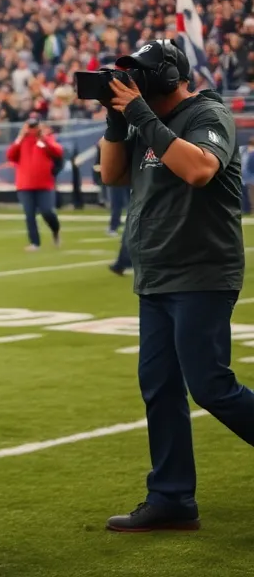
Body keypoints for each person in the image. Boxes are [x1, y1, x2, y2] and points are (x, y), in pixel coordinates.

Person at [98, 39, 254, 531]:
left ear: (167, 75)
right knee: (160, 387)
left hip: (202, 273)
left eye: (140, 74)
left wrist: (142, 115)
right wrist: (115, 119)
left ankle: (171, 496)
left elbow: (201, 169)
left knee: (210, 385)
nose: (132, 82)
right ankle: (171, 498)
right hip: (158, 275)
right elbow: (111, 173)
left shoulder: (208, 115)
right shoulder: (143, 122)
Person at [7, 116, 63, 251]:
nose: (32, 129)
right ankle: (34, 242)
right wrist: (20, 137)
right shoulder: (21, 141)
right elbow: (10, 155)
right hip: (25, 184)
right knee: (29, 214)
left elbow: (57, 151)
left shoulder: (45, 140)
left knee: (47, 211)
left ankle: (55, 230)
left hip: (44, 184)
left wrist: (42, 137)